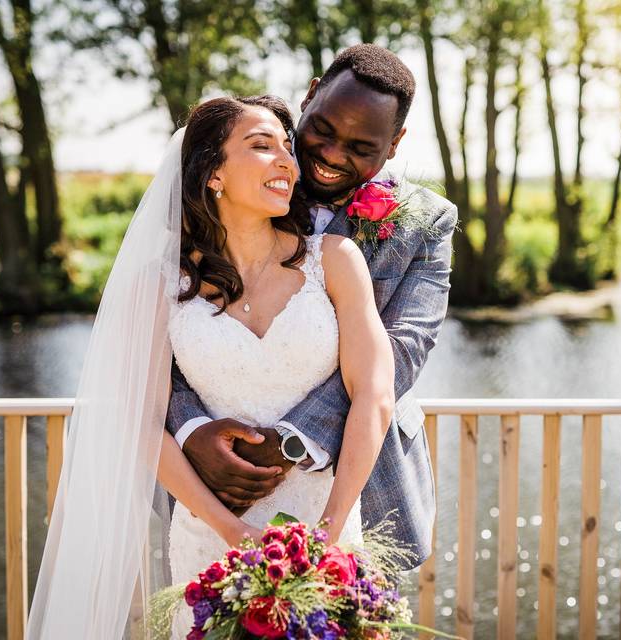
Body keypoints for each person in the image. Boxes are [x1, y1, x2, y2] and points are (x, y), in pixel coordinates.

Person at [166, 44, 457, 571]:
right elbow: (169, 343)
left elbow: (400, 354)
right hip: (215, 487)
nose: (330, 155)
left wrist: (289, 443)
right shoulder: (248, 184)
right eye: (321, 129)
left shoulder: (422, 222)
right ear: (309, 96)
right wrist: (192, 433)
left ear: (394, 145)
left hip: (358, 481)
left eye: (360, 146)